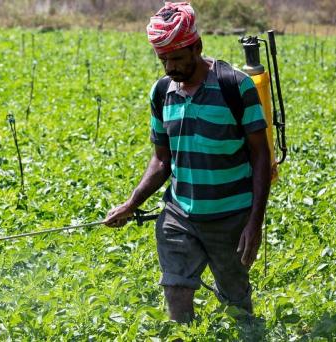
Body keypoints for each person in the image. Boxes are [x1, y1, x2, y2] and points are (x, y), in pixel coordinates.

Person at [103, 2, 271, 323]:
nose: (169, 67)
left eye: (177, 58)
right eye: (162, 58)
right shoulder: (162, 91)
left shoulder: (235, 87)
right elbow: (161, 161)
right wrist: (131, 203)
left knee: (237, 303)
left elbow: (261, 156)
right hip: (179, 214)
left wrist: (255, 221)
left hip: (230, 218)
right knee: (176, 291)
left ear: (197, 47)